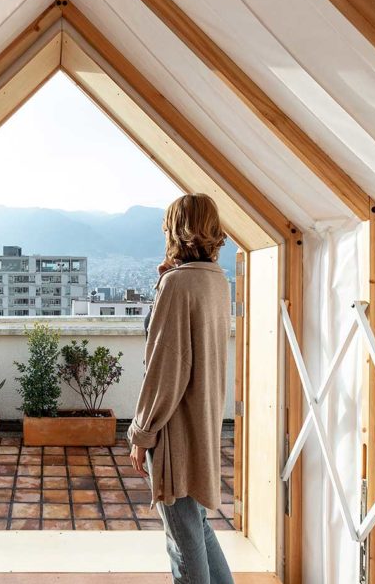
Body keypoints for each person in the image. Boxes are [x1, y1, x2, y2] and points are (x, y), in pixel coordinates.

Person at [128, 194, 233, 584]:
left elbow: (164, 368)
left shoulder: (177, 284)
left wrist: (141, 433)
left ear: (176, 230)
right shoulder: (215, 280)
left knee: (182, 542)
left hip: (174, 431)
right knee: (198, 527)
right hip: (201, 422)